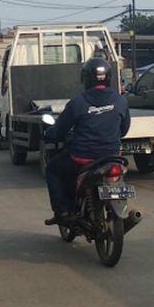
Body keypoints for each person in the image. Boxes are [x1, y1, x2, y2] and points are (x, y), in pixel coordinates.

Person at [43, 57, 131, 226]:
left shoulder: (77, 102)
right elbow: (124, 129)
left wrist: (49, 133)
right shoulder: (121, 100)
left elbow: (60, 130)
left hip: (82, 158)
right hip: (112, 156)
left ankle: (62, 211)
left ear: (85, 79)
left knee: (52, 170)